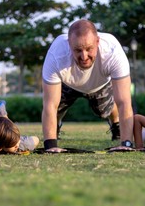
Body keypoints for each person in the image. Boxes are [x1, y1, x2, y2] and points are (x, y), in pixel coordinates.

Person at [41, 19, 134, 152]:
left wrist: (127, 143)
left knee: (104, 111)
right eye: (78, 50)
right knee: (55, 111)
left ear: (97, 41)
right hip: (67, 84)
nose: (84, 56)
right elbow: (50, 105)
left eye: (89, 49)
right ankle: (56, 126)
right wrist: (51, 146)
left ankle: (116, 123)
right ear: (69, 44)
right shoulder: (56, 54)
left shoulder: (113, 52)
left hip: (100, 84)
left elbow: (124, 102)